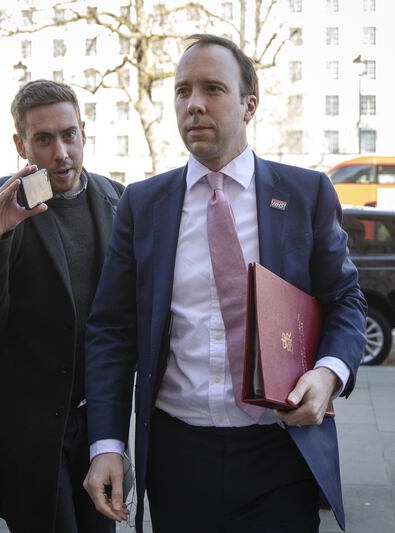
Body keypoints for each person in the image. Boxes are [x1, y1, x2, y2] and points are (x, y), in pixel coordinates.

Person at [83, 34, 367, 533]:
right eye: (182, 91)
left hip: (280, 451)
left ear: (248, 105)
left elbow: (345, 301)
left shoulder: (304, 194)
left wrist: (327, 374)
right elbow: (111, 330)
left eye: (212, 88)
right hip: (178, 457)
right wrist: (107, 445)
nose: (194, 104)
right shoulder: (143, 204)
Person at [0, 79, 124, 533]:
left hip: (100, 426)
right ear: (20, 143)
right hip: (28, 435)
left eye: (69, 135)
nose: (60, 152)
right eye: (43, 139)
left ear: (83, 131)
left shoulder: (118, 199)